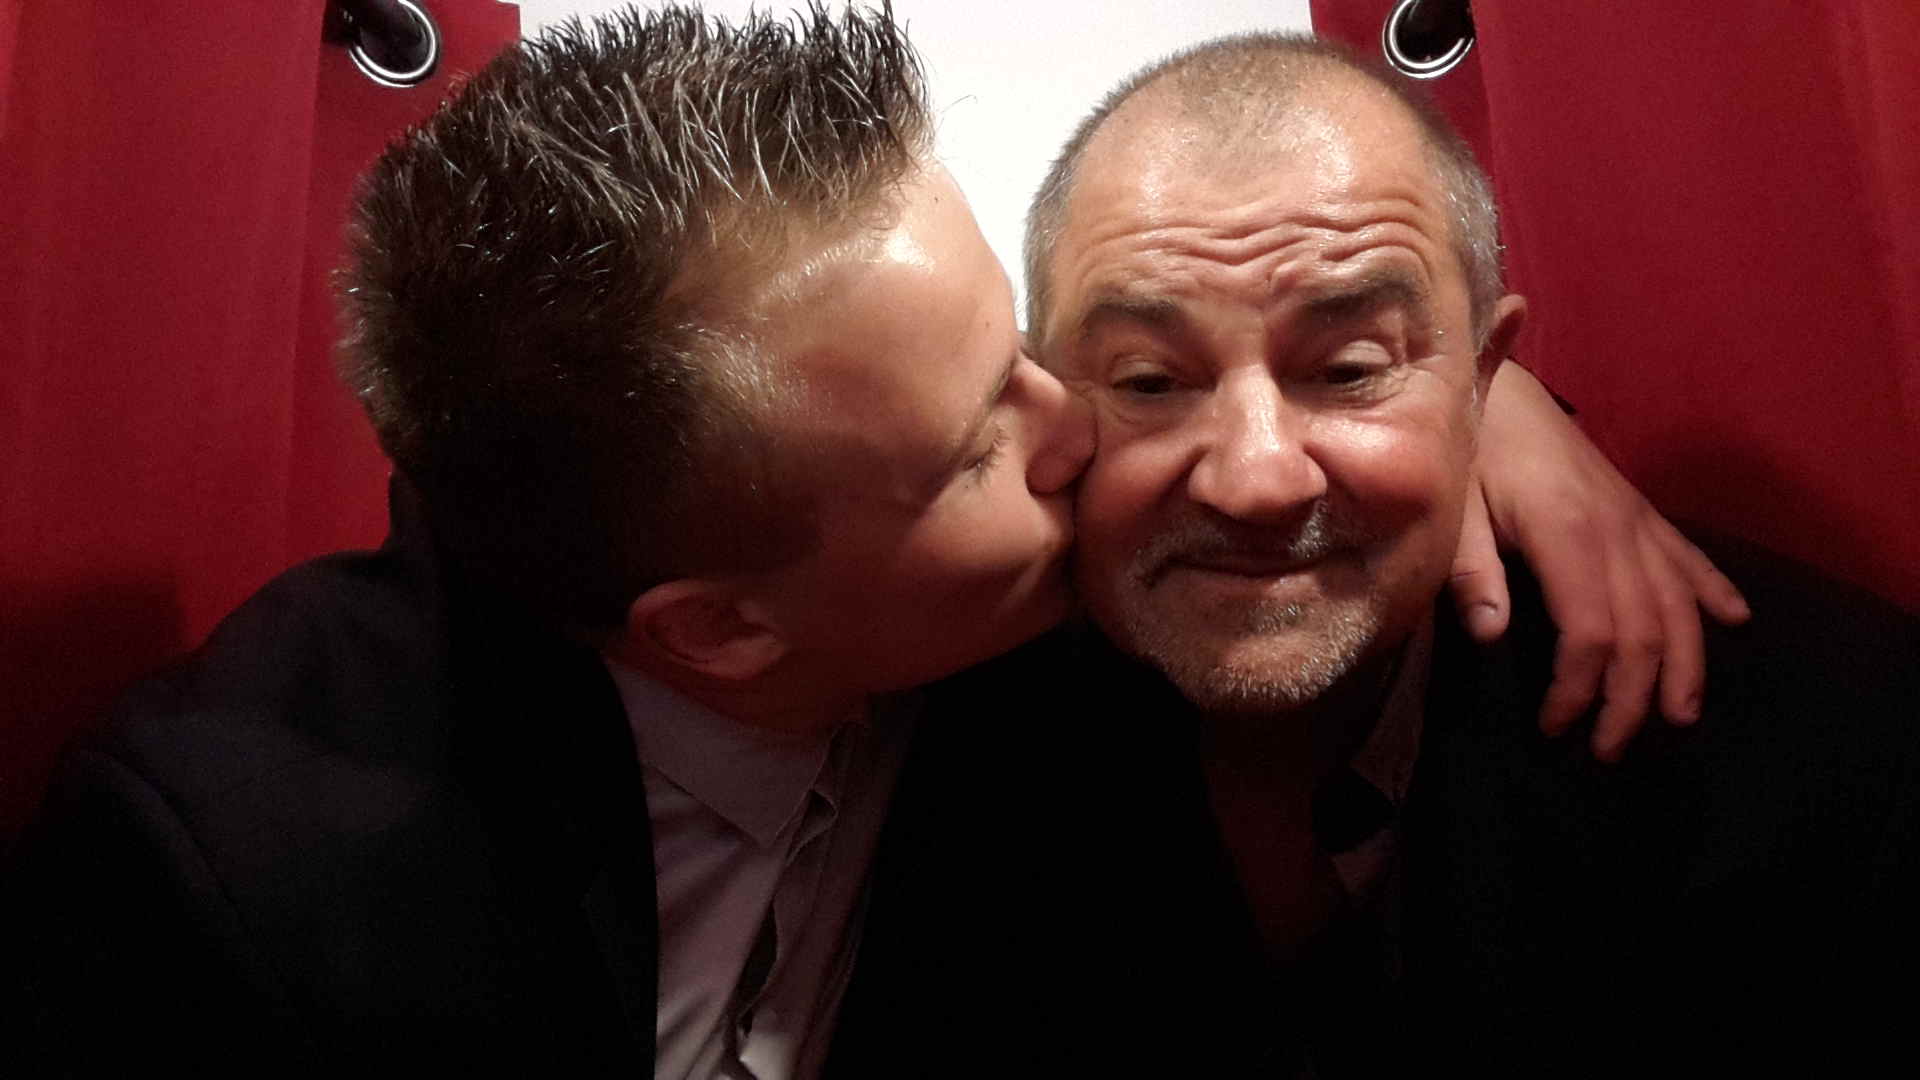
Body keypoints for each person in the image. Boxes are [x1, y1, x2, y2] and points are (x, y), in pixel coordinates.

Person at [4, 7, 1753, 1078]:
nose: (1083, 434)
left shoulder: (1017, 612)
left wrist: (1480, 414)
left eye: (1022, 345)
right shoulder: (235, 888)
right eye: (984, 438)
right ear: (725, 630)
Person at [835, 29, 1918, 1077]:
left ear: (1484, 377)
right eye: (1149, 382)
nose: (1257, 478)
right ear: (1043, 393)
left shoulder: (1818, 771)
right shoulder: (915, 719)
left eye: (1350, 370)